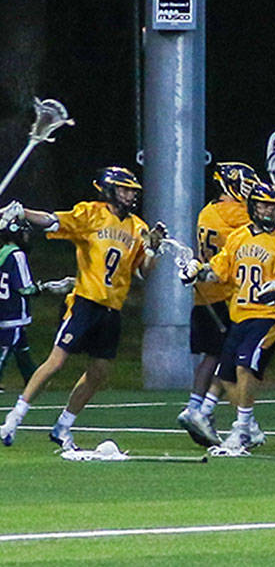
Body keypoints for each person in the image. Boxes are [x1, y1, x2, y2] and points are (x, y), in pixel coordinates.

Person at [0, 167, 164, 449]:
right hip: (85, 302)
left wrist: (152, 250)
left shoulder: (138, 226)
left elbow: (144, 271)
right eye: (124, 189)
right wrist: (23, 212)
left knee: (99, 372)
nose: (129, 195)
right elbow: (52, 221)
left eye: (131, 191)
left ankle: (63, 426)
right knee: (56, 362)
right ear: (109, 189)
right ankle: (13, 420)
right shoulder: (91, 213)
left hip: (112, 309)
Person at [184, 183, 275, 452]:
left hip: (270, 314)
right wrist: (196, 272)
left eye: (273, 206)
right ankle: (249, 428)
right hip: (240, 314)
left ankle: (242, 430)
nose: (268, 210)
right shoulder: (238, 237)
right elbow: (219, 271)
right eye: (263, 205)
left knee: (245, 365)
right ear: (253, 206)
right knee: (226, 374)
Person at [176, 161, 263, 447]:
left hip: (203, 291)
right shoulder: (236, 214)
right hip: (226, 292)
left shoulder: (207, 211)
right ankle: (229, 417)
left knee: (210, 356)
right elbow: (260, 231)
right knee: (231, 358)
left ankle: (196, 406)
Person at [0, 216, 73, 389]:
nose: (27, 237)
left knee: (21, 349)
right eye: (24, 233)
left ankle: (33, 380)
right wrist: (45, 287)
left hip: (4, 309)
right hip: (13, 313)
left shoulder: (2, 252)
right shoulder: (16, 255)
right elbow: (25, 287)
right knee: (5, 350)